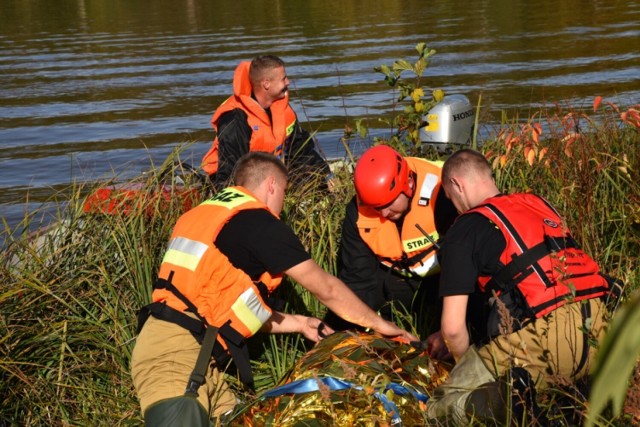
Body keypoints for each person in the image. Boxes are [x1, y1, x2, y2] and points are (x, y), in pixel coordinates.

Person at [131, 152, 416, 426]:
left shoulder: (205, 215)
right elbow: (326, 288)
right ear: (272, 185)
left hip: (197, 357)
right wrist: (381, 325)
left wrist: (301, 323)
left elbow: (225, 307)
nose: (284, 202)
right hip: (173, 357)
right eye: (285, 191)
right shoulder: (257, 221)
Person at [425, 149, 612, 424]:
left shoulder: (464, 228)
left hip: (548, 338)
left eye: (452, 200)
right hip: (599, 327)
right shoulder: (538, 203)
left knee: (438, 412)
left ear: (457, 185)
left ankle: (520, 407)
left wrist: (468, 372)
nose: (456, 208)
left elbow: (452, 329)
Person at [324, 144, 458, 332]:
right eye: (376, 207)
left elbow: (467, 259)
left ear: (408, 184)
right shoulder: (357, 213)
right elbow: (358, 280)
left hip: (446, 278)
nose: (384, 213)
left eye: (388, 203)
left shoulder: (445, 191)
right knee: (341, 318)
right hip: (395, 279)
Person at [201, 55, 332, 189]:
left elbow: (301, 150)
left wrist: (326, 175)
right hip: (236, 179)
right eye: (283, 79)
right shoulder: (236, 118)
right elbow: (229, 174)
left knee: (317, 181)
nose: (288, 82)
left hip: (266, 171)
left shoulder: (282, 109)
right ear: (266, 84)